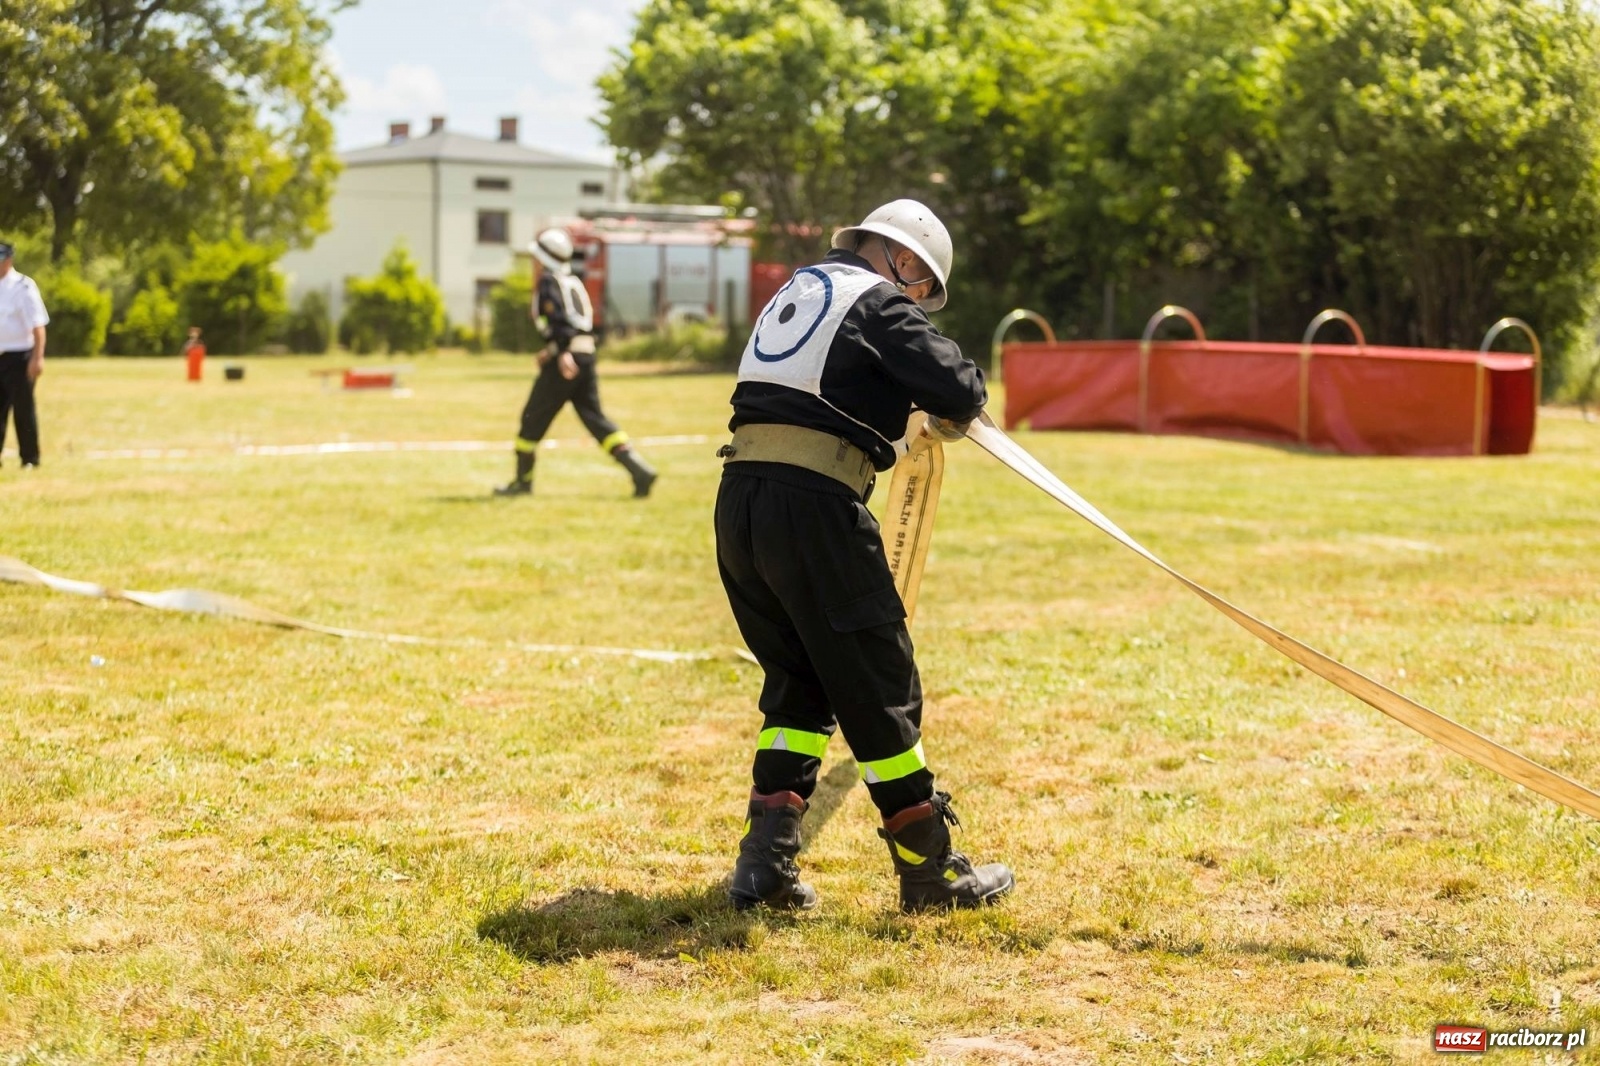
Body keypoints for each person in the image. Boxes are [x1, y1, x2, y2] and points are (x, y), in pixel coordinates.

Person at [715, 200, 1014, 912]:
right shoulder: (876, 301)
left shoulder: (801, 290)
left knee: (800, 685)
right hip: (815, 509)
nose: (917, 301)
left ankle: (764, 870)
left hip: (743, 502)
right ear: (904, 261)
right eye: (921, 288)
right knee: (880, 682)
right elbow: (961, 386)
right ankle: (930, 870)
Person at [494, 227, 657, 498]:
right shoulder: (573, 281)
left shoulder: (548, 281)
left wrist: (560, 352)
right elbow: (579, 324)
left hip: (567, 357)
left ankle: (522, 483)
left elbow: (558, 320)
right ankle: (639, 470)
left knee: (532, 418)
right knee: (595, 418)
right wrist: (554, 350)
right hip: (586, 354)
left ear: (543, 259)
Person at [0, 241, 49, 469]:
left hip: (19, 357)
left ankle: (29, 459)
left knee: (23, 409)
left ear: (8, 260)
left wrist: (37, 358)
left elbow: (38, 325)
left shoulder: (23, 286)